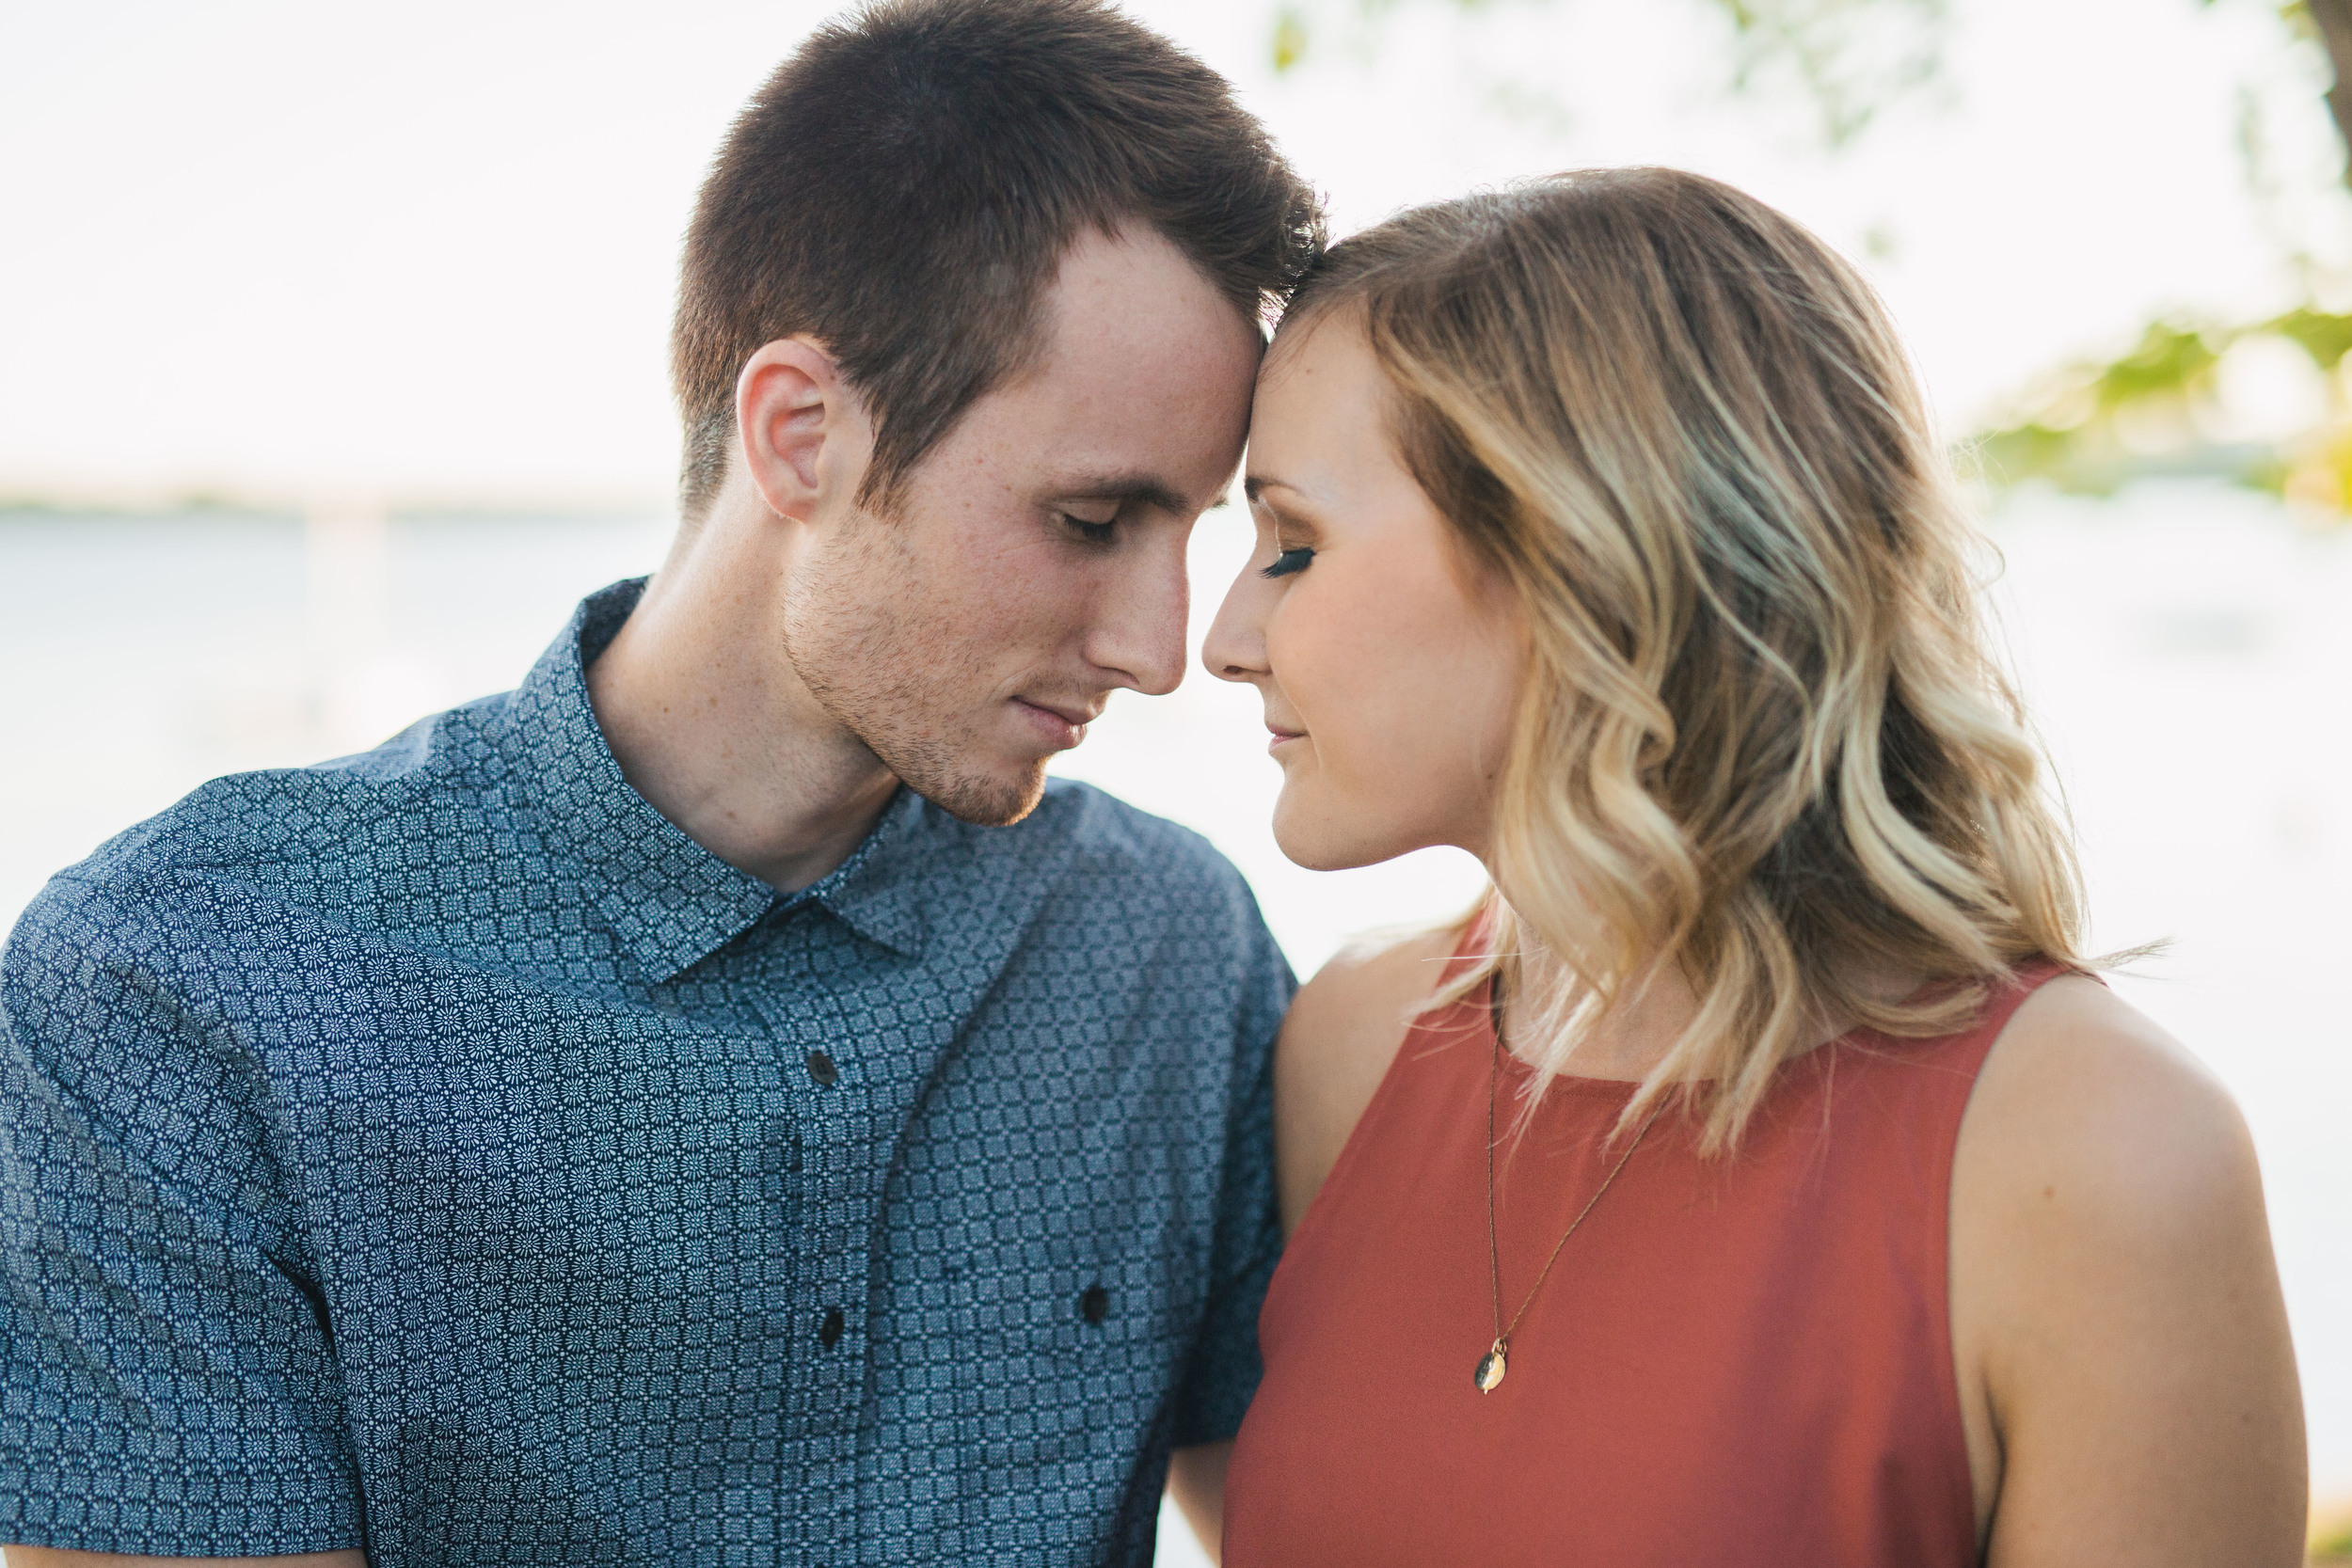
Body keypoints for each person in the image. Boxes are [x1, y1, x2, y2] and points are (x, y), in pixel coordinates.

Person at [0, 3, 1323, 1563]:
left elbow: (1311, 1524)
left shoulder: (1170, 950)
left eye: (1203, 532)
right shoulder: (182, 992)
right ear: (801, 434)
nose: (1163, 649)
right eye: (1095, 520)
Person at [1202, 168, 2308, 1565]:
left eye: (1293, 545)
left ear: (1578, 555)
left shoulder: (2095, 1150)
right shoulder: (1346, 1048)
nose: (1223, 637)